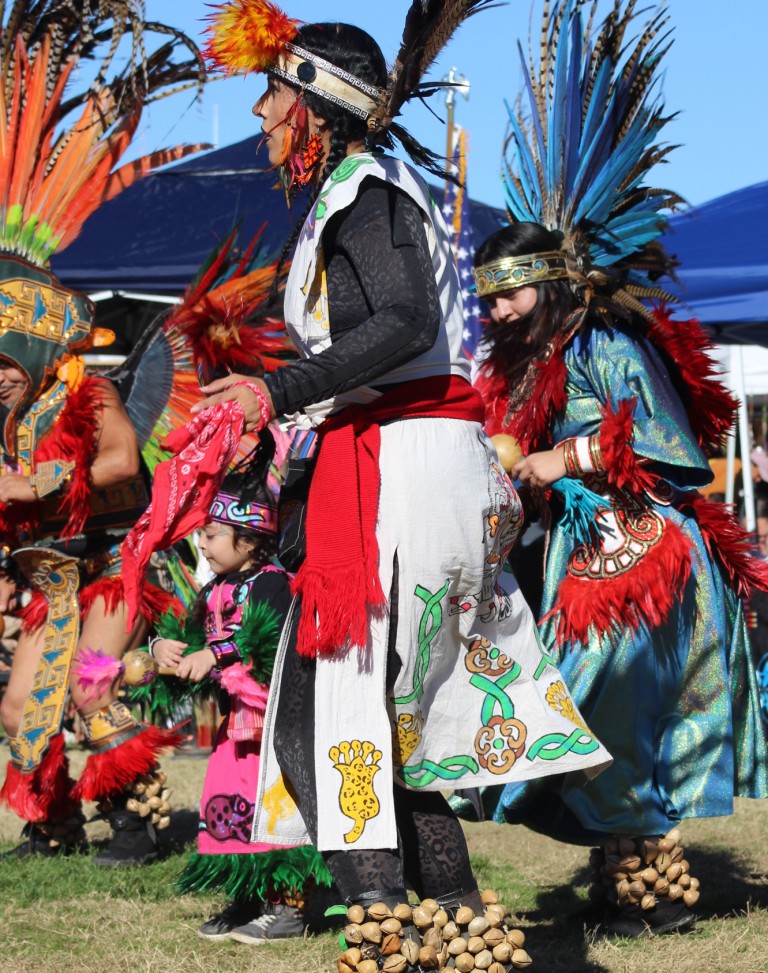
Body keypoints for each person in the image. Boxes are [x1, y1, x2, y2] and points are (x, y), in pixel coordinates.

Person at [195, 1, 610, 950]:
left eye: (270, 93)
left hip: (401, 471)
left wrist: (276, 388)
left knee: (316, 717)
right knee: (394, 728)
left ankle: (386, 934)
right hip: (406, 463)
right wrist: (285, 419)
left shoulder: (364, 193)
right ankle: (459, 927)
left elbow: (404, 322)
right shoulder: (364, 190)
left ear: (312, 106)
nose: (259, 114)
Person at [470, 0, 768, 940]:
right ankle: (632, 879)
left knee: (601, 703)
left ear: (555, 281)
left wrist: (565, 454)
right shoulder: (520, 367)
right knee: (572, 705)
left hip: (645, 556)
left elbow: (671, 451)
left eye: (512, 292)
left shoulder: (607, 342)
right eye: (491, 299)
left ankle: (652, 881)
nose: (501, 311)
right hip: (577, 552)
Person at [0, 5, 205, 864]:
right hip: (51, 576)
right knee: (18, 708)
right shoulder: (7, 417)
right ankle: (51, 828)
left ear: (39, 346)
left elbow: (123, 467)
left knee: (91, 690)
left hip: (119, 564)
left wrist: (34, 487)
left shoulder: (89, 394)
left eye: (8, 361)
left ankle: (140, 821)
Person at [139, 434, 331, 943]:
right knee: (230, 802)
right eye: (203, 536)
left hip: (276, 723)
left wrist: (216, 655)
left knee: (276, 805)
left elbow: (263, 641)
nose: (202, 545)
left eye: (212, 536)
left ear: (249, 540)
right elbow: (187, 635)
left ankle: (290, 906)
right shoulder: (212, 589)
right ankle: (248, 894)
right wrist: (162, 648)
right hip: (233, 726)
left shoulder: (272, 583)